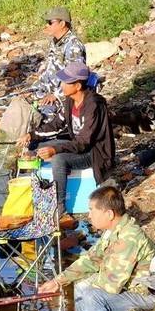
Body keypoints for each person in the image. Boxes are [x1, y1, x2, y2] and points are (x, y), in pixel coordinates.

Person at [36, 185, 155, 311]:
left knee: (93, 294)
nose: (89, 215)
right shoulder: (112, 231)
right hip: (128, 289)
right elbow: (91, 260)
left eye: (92, 210)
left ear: (109, 213)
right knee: (83, 284)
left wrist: (87, 287)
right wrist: (58, 282)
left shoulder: (130, 237)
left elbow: (111, 284)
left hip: (145, 295)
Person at [31, 62, 115, 212]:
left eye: (66, 82)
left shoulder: (93, 105)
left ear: (77, 86)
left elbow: (84, 142)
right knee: (37, 147)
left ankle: (59, 206)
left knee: (58, 158)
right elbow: (56, 124)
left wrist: (55, 150)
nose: (61, 85)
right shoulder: (70, 101)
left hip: (95, 153)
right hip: (78, 146)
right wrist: (32, 136)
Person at [0, 6, 86, 144]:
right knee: (20, 102)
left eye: (50, 22)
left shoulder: (74, 46)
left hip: (62, 97)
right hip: (46, 90)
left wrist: (56, 95)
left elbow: (76, 80)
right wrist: (33, 89)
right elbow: (48, 72)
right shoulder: (54, 42)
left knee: (42, 115)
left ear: (62, 23)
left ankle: (38, 142)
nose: (47, 26)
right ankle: (13, 141)